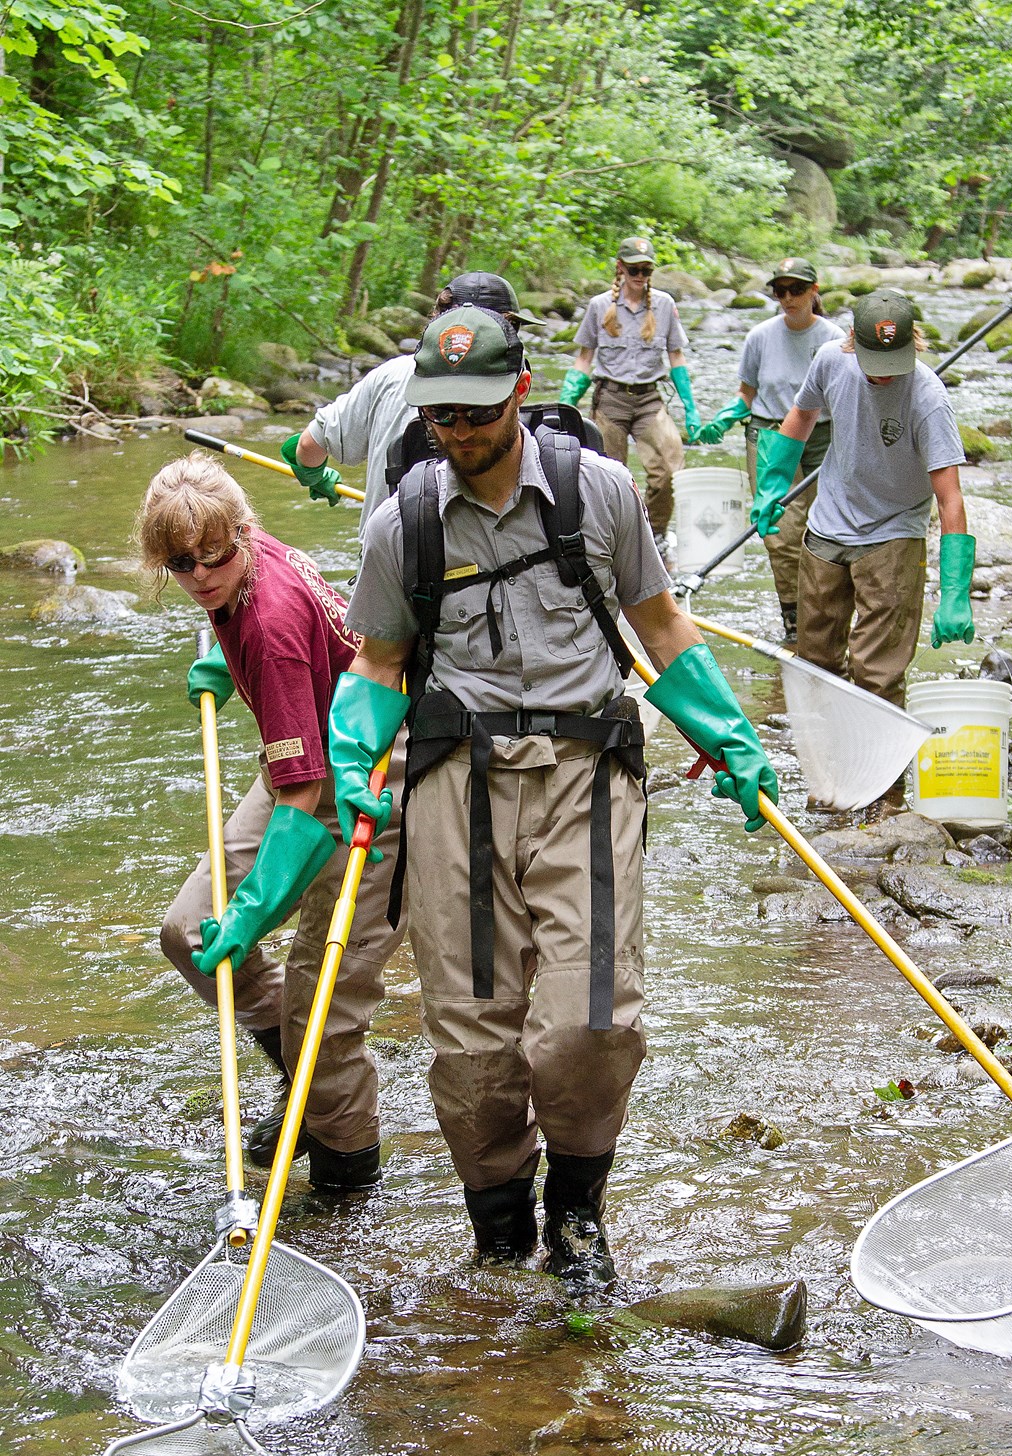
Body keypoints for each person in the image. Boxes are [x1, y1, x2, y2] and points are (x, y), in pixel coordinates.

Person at [327, 306, 778, 1286]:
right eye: (441, 416)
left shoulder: (600, 494)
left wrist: (728, 733)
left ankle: (576, 1208)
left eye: (478, 412)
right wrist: (351, 752)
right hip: (455, 783)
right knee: (472, 1039)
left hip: (588, 771)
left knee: (592, 1017)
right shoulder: (400, 523)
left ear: (521, 388)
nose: (459, 432)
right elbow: (376, 661)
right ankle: (497, 1229)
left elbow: (659, 626)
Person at [145, 453, 407, 1191]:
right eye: (180, 563)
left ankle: (343, 1177)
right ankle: (301, 1083)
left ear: (243, 532)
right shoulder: (247, 576)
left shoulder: (272, 625)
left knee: (317, 1004)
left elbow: (304, 799)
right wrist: (229, 668)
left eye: (214, 555)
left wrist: (255, 911)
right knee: (190, 932)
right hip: (303, 759)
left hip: (370, 778)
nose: (200, 575)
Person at [751, 288, 974, 709]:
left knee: (877, 674)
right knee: (814, 663)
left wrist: (955, 592)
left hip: (893, 532)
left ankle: (882, 776)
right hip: (828, 525)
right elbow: (801, 413)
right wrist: (774, 481)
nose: (884, 375)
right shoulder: (831, 359)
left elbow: (950, 497)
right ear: (852, 340)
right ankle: (825, 766)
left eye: (893, 364)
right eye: (875, 364)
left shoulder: (928, 397)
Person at [283, 272, 541, 528]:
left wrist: (315, 476)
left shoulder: (388, 374)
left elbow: (307, 446)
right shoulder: (510, 387)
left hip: (386, 552)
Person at [694, 256, 841, 639]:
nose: (788, 298)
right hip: (769, 436)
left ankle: (828, 615)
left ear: (814, 291)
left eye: (796, 290)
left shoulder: (833, 339)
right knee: (779, 531)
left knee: (830, 529)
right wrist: (725, 418)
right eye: (780, 291)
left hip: (823, 437)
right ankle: (794, 619)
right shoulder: (759, 336)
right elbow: (746, 395)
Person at [560, 237, 701, 552]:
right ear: (620, 268)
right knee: (609, 478)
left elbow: (676, 356)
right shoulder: (599, 306)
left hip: (649, 400)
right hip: (610, 399)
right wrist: (566, 403)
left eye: (646, 269)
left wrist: (690, 407)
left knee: (669, 469)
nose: (640, 275)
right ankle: (615, 540)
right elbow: (584, 358)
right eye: (634, 269)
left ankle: (656, 534)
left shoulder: (664, 305)